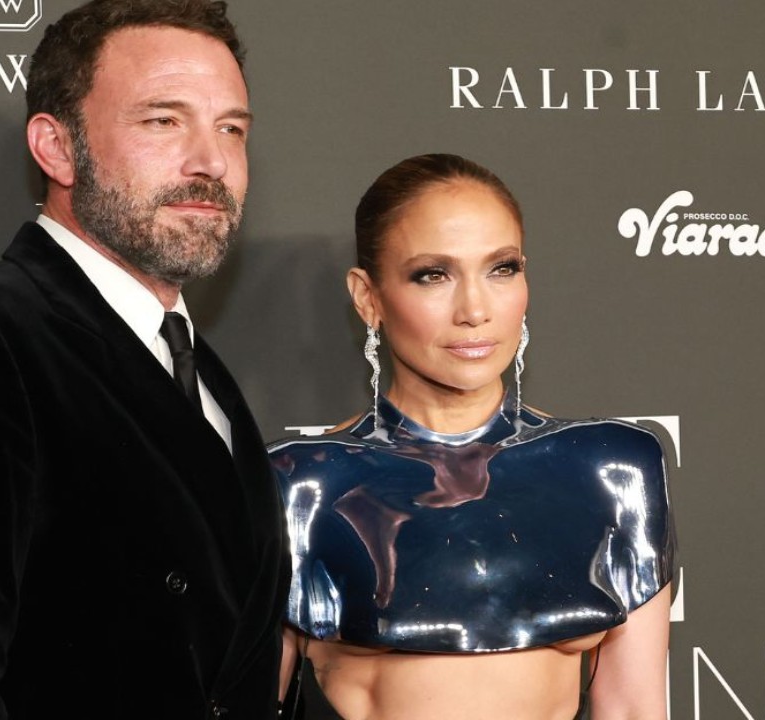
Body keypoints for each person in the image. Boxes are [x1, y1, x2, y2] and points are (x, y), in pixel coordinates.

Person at [0, 1, 289, 717]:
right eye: (163, 120)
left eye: (231, 128)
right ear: (56, 147)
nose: (210, 161)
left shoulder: (206, 378)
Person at [269, 154, 675, 720]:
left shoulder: (613, 467)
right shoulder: (301, 483)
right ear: (368, 298)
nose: (476, 310)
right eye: (433, 274)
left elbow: (634, 708)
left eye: (501, 268)